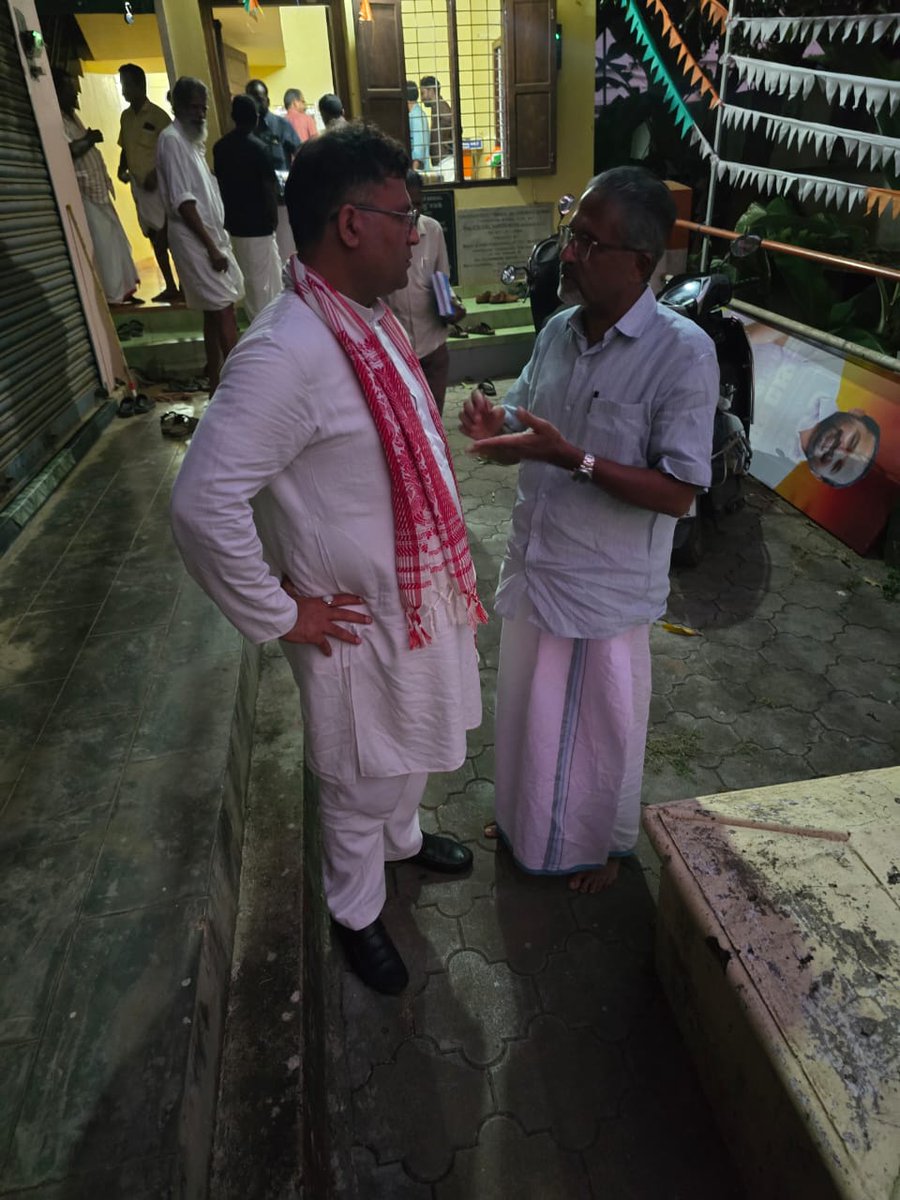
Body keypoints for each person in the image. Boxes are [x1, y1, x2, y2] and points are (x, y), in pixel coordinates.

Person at [170, 124, 485, 996]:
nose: (415, 232)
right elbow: (202, 503)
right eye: (403, 214)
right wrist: (281, 612)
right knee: (358, 776)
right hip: (351, 620)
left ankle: (404, 843)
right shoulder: (284, 352)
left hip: (410, 601)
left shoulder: (365, 317)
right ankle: (354, 908)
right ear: (350, 224)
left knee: (406, 751)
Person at [460, 166, 719, 894]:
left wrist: (571, 458)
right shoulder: (556, 332)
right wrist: (495, 421)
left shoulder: (683, 353)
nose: (568, 254)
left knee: (597, 729)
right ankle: (522, 820)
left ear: (639, 262)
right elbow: (525, 412)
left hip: (604, 585)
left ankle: (600, 847)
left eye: (588, 242)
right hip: (539, 563)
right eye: (571, 235)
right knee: (529, 715)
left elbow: (677, 491)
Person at [156, 76, 243, 393]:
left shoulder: (190, 141)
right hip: (196, 241)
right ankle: (239, 390)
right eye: (193, 107)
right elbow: (184, 202)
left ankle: (216, 383)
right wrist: (212, 248)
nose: (200, 114)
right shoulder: (172, 140)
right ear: (175, 106)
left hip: (208, 238)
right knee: (223, 310)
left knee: (213, 311)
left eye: (203, 108)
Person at [748, 327, 879, 488]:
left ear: (817, 475)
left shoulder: (767, 465)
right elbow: (779, 328)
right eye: (852, 441)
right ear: (856, 413)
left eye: (838, 465)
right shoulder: (831, 368)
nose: (840, 450)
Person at [53, 68, 139, 305]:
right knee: (104, 244)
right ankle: (113, 295)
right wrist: (90, 139)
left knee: (116, 239)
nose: (77, 92)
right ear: (59, 91)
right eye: (71, 88)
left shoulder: (72, 116)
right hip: (85, 190)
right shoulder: (57, 119)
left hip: (97, 188)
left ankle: (126, 289)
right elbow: (68, 151)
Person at [385, 170, 463, 414]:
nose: (413, 213)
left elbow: (441, 279)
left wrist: (450, 306)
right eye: (407, 207)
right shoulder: (383, 237)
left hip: (433, 345)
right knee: (406, 419)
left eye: (418, 204)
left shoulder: (433, 230)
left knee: (433, 416)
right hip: (396, 349)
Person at [213, 95, 281, 322]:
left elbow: (220, 184)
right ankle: (266, 328)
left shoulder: (220, 148)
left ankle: (260, 324)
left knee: (250, 280)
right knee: (263, 284)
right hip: (259, 224)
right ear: (256, 118)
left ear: (233, 117)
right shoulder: (259, 148)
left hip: (234, 224)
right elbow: (268, 186)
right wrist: (273, 218)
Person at [117, 62, 181, 303]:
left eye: (127, 85)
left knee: (170, 236)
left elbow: (171, 151)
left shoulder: (158, 117)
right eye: (122, 85)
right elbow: (125, 147)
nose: (124, 90)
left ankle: (184, 284)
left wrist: (157, 172)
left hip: (160, 189)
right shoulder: (125, 118)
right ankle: (171, 286)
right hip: (140, 189)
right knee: (154, 237)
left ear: (139, 85)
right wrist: (121, 167)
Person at [245, 79, 301, 262]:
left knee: (287, 252)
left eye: (259, 99)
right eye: (252, 99)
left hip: (282, 200)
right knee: (265, 258)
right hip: (257, 203)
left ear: (267, 100)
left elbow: (300, 153)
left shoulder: (281, 125)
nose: (256, 103)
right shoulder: (245, 131)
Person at [419, 76, 454, 180]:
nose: (422, 98)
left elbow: (451, 120)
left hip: (446, 163)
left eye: (423, 93)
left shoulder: (441, 106)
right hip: (442, 163)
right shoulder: (437, 107)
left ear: (431, 90)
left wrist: (448, 141)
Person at [406, 81, 429, 169]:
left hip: (418, 171)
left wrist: (413, 172)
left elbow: (418, 150)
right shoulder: (415, 114)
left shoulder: (416, 116)